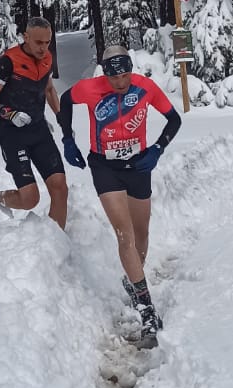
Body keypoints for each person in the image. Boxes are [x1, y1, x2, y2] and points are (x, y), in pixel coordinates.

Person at [58, 45, 183, 346]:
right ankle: (147, 308)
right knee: (124, 234)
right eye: (116, 77)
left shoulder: (144, 87)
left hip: (139, 164)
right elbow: (64, 100)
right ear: (105, 73)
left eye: (127, 74)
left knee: (141, 234)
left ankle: (133, 281)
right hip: (105, 167)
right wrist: (68, 139)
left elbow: (174, 119)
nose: (122, 81)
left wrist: (157, 149)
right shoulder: (90, 88)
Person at [0, 16, 67, 228]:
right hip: (13, 135)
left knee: (60, 188)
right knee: (30, 199)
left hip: (39, 131)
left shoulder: (47, 58)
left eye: (47, 42)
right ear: (26, 37)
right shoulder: (9, 61)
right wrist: (8, 114)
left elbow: (48, 89)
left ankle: (56, 242)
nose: (43, 48)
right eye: (38, 42)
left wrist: (60, 115)